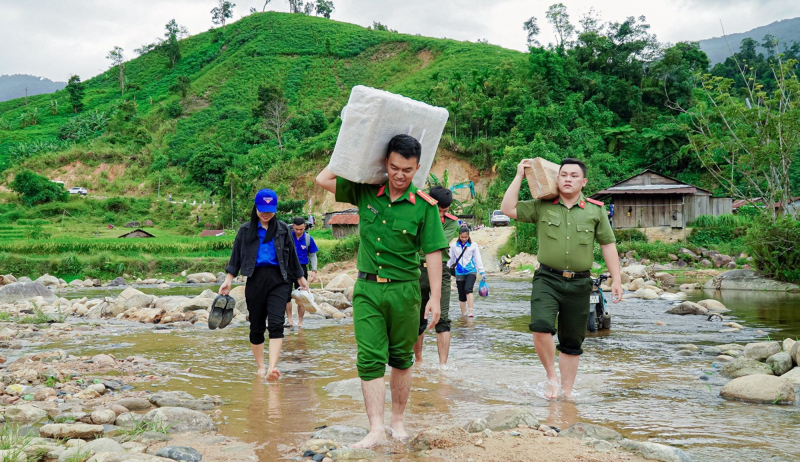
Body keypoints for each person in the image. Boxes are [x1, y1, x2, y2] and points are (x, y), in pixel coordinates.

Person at [316, 134, 447, 448]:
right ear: (384, 163)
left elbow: (433, 254)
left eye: (407, 169)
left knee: (402, 359)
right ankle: (375, 428)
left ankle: (397, 421)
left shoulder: (425, 207)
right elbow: (324, 178)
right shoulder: (365, 192)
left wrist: (436, 298)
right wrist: (356, 147)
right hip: (367, 289)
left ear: (418, 169)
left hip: (405, 292)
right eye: (393, 167)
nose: (400, 175)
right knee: (370, 358)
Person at [500, 158, 623, 400]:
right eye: (563, 174)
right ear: (557, 179)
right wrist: (519, 177)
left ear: (583, 181)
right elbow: (507, 209)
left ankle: (566, 393)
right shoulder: (542, 206)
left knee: (571, 342)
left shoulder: (595, 210)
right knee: (540, 327)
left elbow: (608, 245)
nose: (568, 179)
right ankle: (551, 378)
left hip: (580, 283)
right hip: (548, 278)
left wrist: (617, 279)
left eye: (574, 175)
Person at [219, 189, 309, 381]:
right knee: (257, 325)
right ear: (256, 207)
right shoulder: (245, 230)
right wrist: (228, 281)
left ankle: (272, 368)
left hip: (279, 280)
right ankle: (261, 367)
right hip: (255, 278)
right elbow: (235, 258)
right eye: (262, 209)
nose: (266, 213)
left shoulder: (283, 229)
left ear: (275, 208)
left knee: (276, 323)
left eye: (270, 209)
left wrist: (300, 278)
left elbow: (292, 257)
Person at [413, 186, 460, 367]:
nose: (440, 214)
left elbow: (435, 244)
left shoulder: (450, 222)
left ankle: (443, 366)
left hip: (441, 270)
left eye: (444, 211)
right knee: (418, 318)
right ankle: (418, 361)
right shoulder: (416, 215)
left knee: (444, 319)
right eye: (437, 210)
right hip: (417, 271)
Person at [285, 216, 319, 328]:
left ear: (304, 227)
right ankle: (289, 320)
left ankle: (300, 322)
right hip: (288, 269)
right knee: (286, 295)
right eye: (296, 229)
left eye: (301, 229)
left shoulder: (308, 239)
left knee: (302, 296)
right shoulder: (287, 237)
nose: (298, 231)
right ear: (293, 227)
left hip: (302, 269)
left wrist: (314, 270)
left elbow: (313, 255)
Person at [446, 226, 485, 317]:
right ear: (459, 236)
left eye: (466, 237)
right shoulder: (454, 245)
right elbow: (451, 259)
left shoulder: (473, 245)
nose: (464, 239)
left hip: (471, 271)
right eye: (462, 237)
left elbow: (478, 259)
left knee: (468, 289)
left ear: (468, 236)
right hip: (459, 271)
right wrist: (447, 270)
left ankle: (470, 312)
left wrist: (482, 272)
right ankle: (463, 314)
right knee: (461, 294)